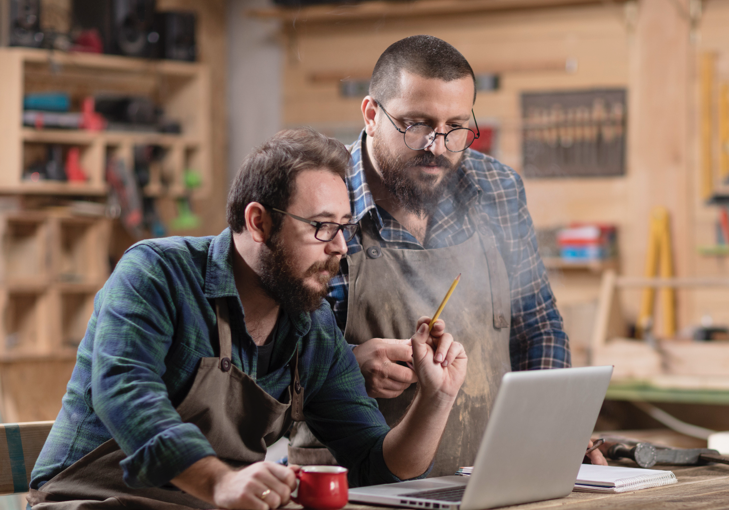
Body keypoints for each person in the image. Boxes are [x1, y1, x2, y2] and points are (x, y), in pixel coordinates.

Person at [29, 128, 467, 510]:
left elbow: (377, 463)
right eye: (320, 227)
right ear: (258, 222)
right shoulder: (155, 273)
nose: (339, 248)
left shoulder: (311, 330)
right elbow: (124, 394)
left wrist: (436, 398)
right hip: (89, 503)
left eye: (344, 227)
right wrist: (221, 483)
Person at [287, 34, 604, 475]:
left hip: (485, 481)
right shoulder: (318, 199)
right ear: (371, 114)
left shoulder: (496, 189)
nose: (436, 146)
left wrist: (550, 431)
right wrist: (346, 365)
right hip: (352, 487)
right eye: (416, 125)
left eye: (455, 127)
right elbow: (269, 353)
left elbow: (537, 327)